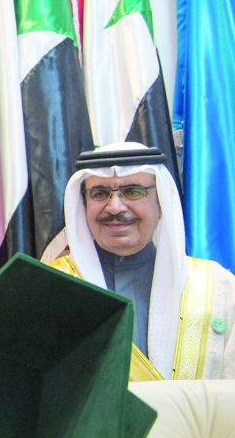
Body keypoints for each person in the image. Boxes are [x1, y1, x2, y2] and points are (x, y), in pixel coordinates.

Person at [49, 142, 235, 380]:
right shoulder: (50, 287)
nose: (114, 207)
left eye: (133, 192)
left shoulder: (219, 289)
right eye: (99, 194)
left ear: (161, 205)